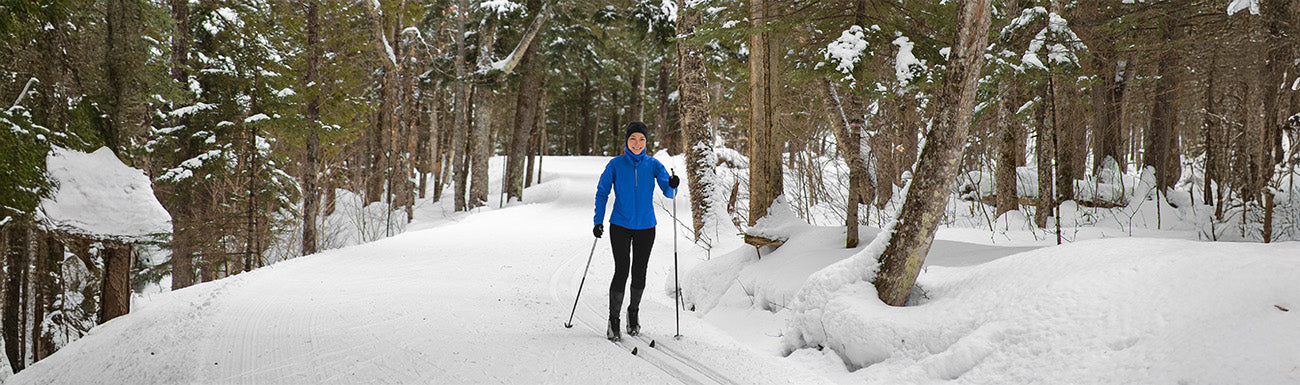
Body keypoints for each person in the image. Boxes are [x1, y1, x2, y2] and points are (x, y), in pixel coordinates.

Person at [593, 121, 680, 341]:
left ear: (646, 142)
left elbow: (669, 193)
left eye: (641, 139)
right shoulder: (615, 165)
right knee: (622, 270)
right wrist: (598, 221)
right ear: (626, 141)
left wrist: (673, 183)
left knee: (639, 271)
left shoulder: (653, 165)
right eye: (633, 139)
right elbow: (602, 192)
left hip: (646, 227)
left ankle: (633, 313)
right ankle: (614, 320)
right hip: (620, 225)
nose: (637, 143)